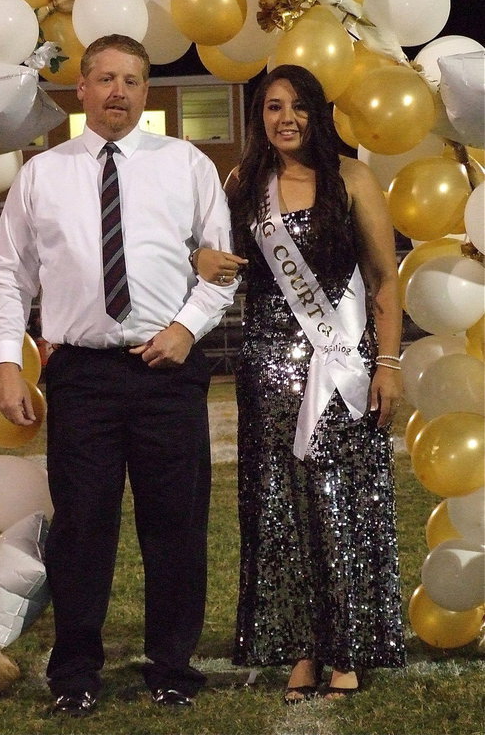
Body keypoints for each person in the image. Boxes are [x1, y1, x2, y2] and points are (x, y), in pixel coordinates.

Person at [0, 34, 238, 716]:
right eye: (104, 78)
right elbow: (8, 275)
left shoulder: (186, 164)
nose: (117, 92)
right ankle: (74, 672)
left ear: (146, 90)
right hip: (82, 377)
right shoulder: (42, 173)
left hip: (169, 371)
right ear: (82, 89)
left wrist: (186, 329)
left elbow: (222, 266)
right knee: (83, 526)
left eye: (131, 80)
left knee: (175, 527)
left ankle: (172, 667)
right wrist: (7, 363)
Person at [194, 64, 406, 702]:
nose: (284, 118)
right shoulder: (243, 183)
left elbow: (383, 280)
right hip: (267, 371)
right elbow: (218, 262)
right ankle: (302, 648)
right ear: (259, 118)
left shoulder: (353, 178)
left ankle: (349, 648)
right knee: (281, 510)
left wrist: (390, 366)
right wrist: (198, 256)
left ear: (318, 114)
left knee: (340, 504)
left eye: (298, 107)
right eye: (271, 107)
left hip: (341, 365)